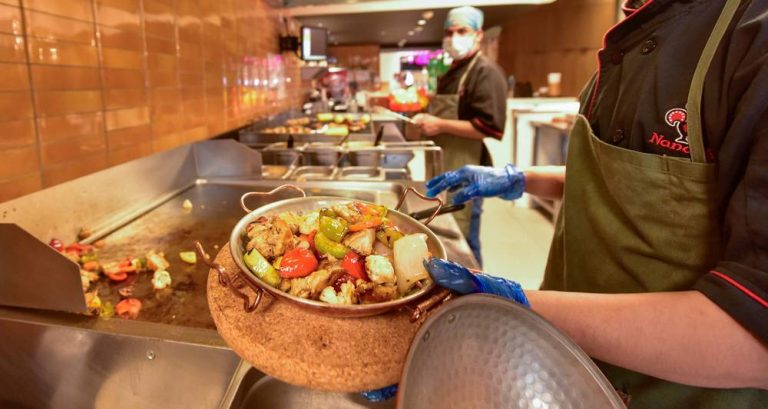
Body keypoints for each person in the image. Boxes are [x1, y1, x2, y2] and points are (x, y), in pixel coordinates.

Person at [424, 0, 768, 407]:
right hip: (573, 368)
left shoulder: (752, 34)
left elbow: (754, 339)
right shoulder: (633, 32)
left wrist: (515, 305)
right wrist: (521, 179)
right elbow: (633, 185)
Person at [413, 6, 508, 267]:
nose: (454, 37)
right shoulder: (455, 70)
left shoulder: (485, 72)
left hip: (467, 168)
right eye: (449, 32)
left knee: (464, 237)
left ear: (478, 35)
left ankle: (478, 287)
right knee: (448, 230)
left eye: (462, 31)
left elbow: (490, 128)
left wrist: (440, 124)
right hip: (446, 164)